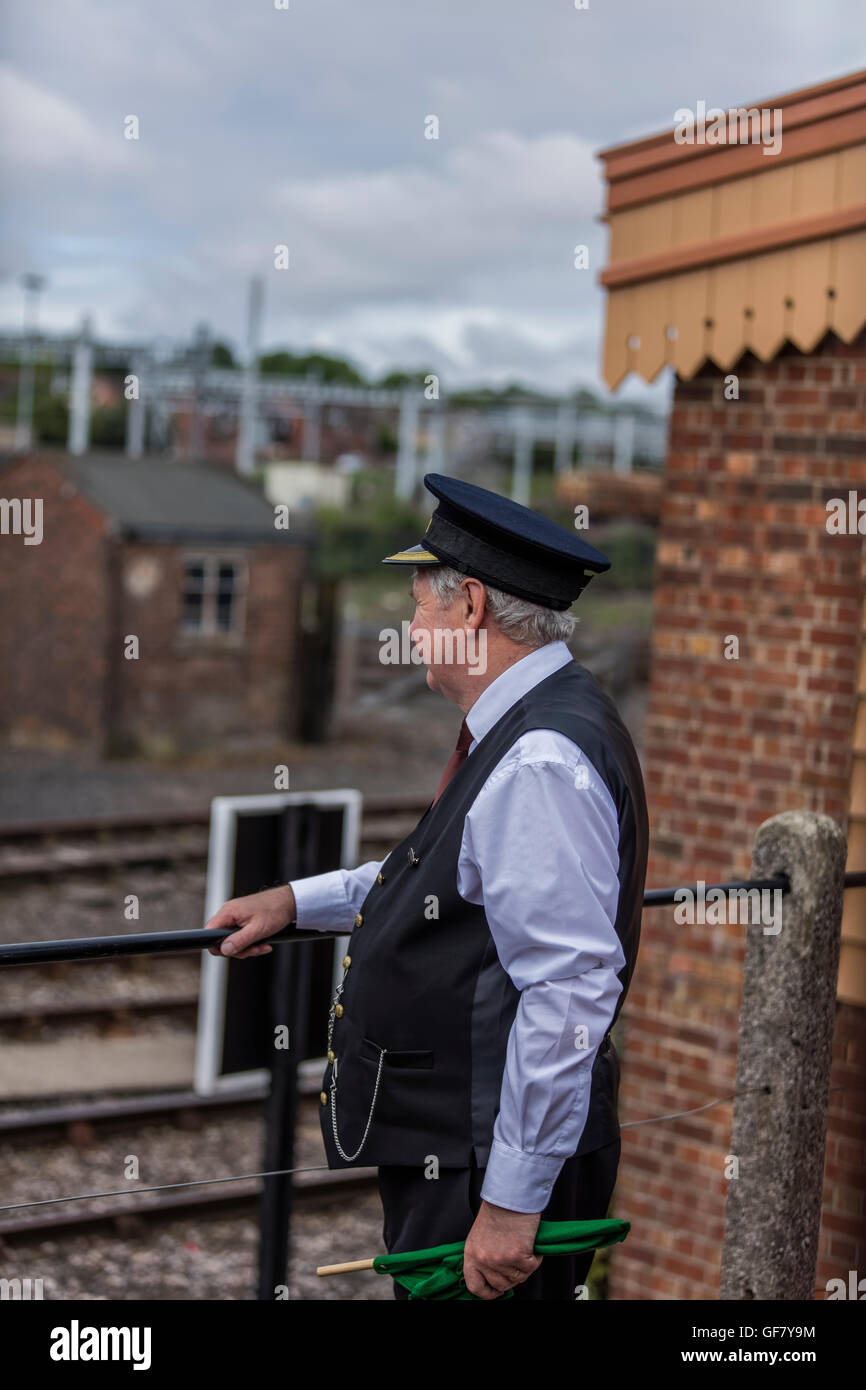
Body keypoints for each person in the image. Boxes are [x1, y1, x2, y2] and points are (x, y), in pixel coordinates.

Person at [206, 472, 649, 1301]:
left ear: (471, 607)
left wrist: (510, 1207)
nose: (410, 629)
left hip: (483, 1163)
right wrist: (300, 901)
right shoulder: (537, 722)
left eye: (420, 607)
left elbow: (567, 990)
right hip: (471, 1150)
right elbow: (448, 877)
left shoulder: (537, 759)